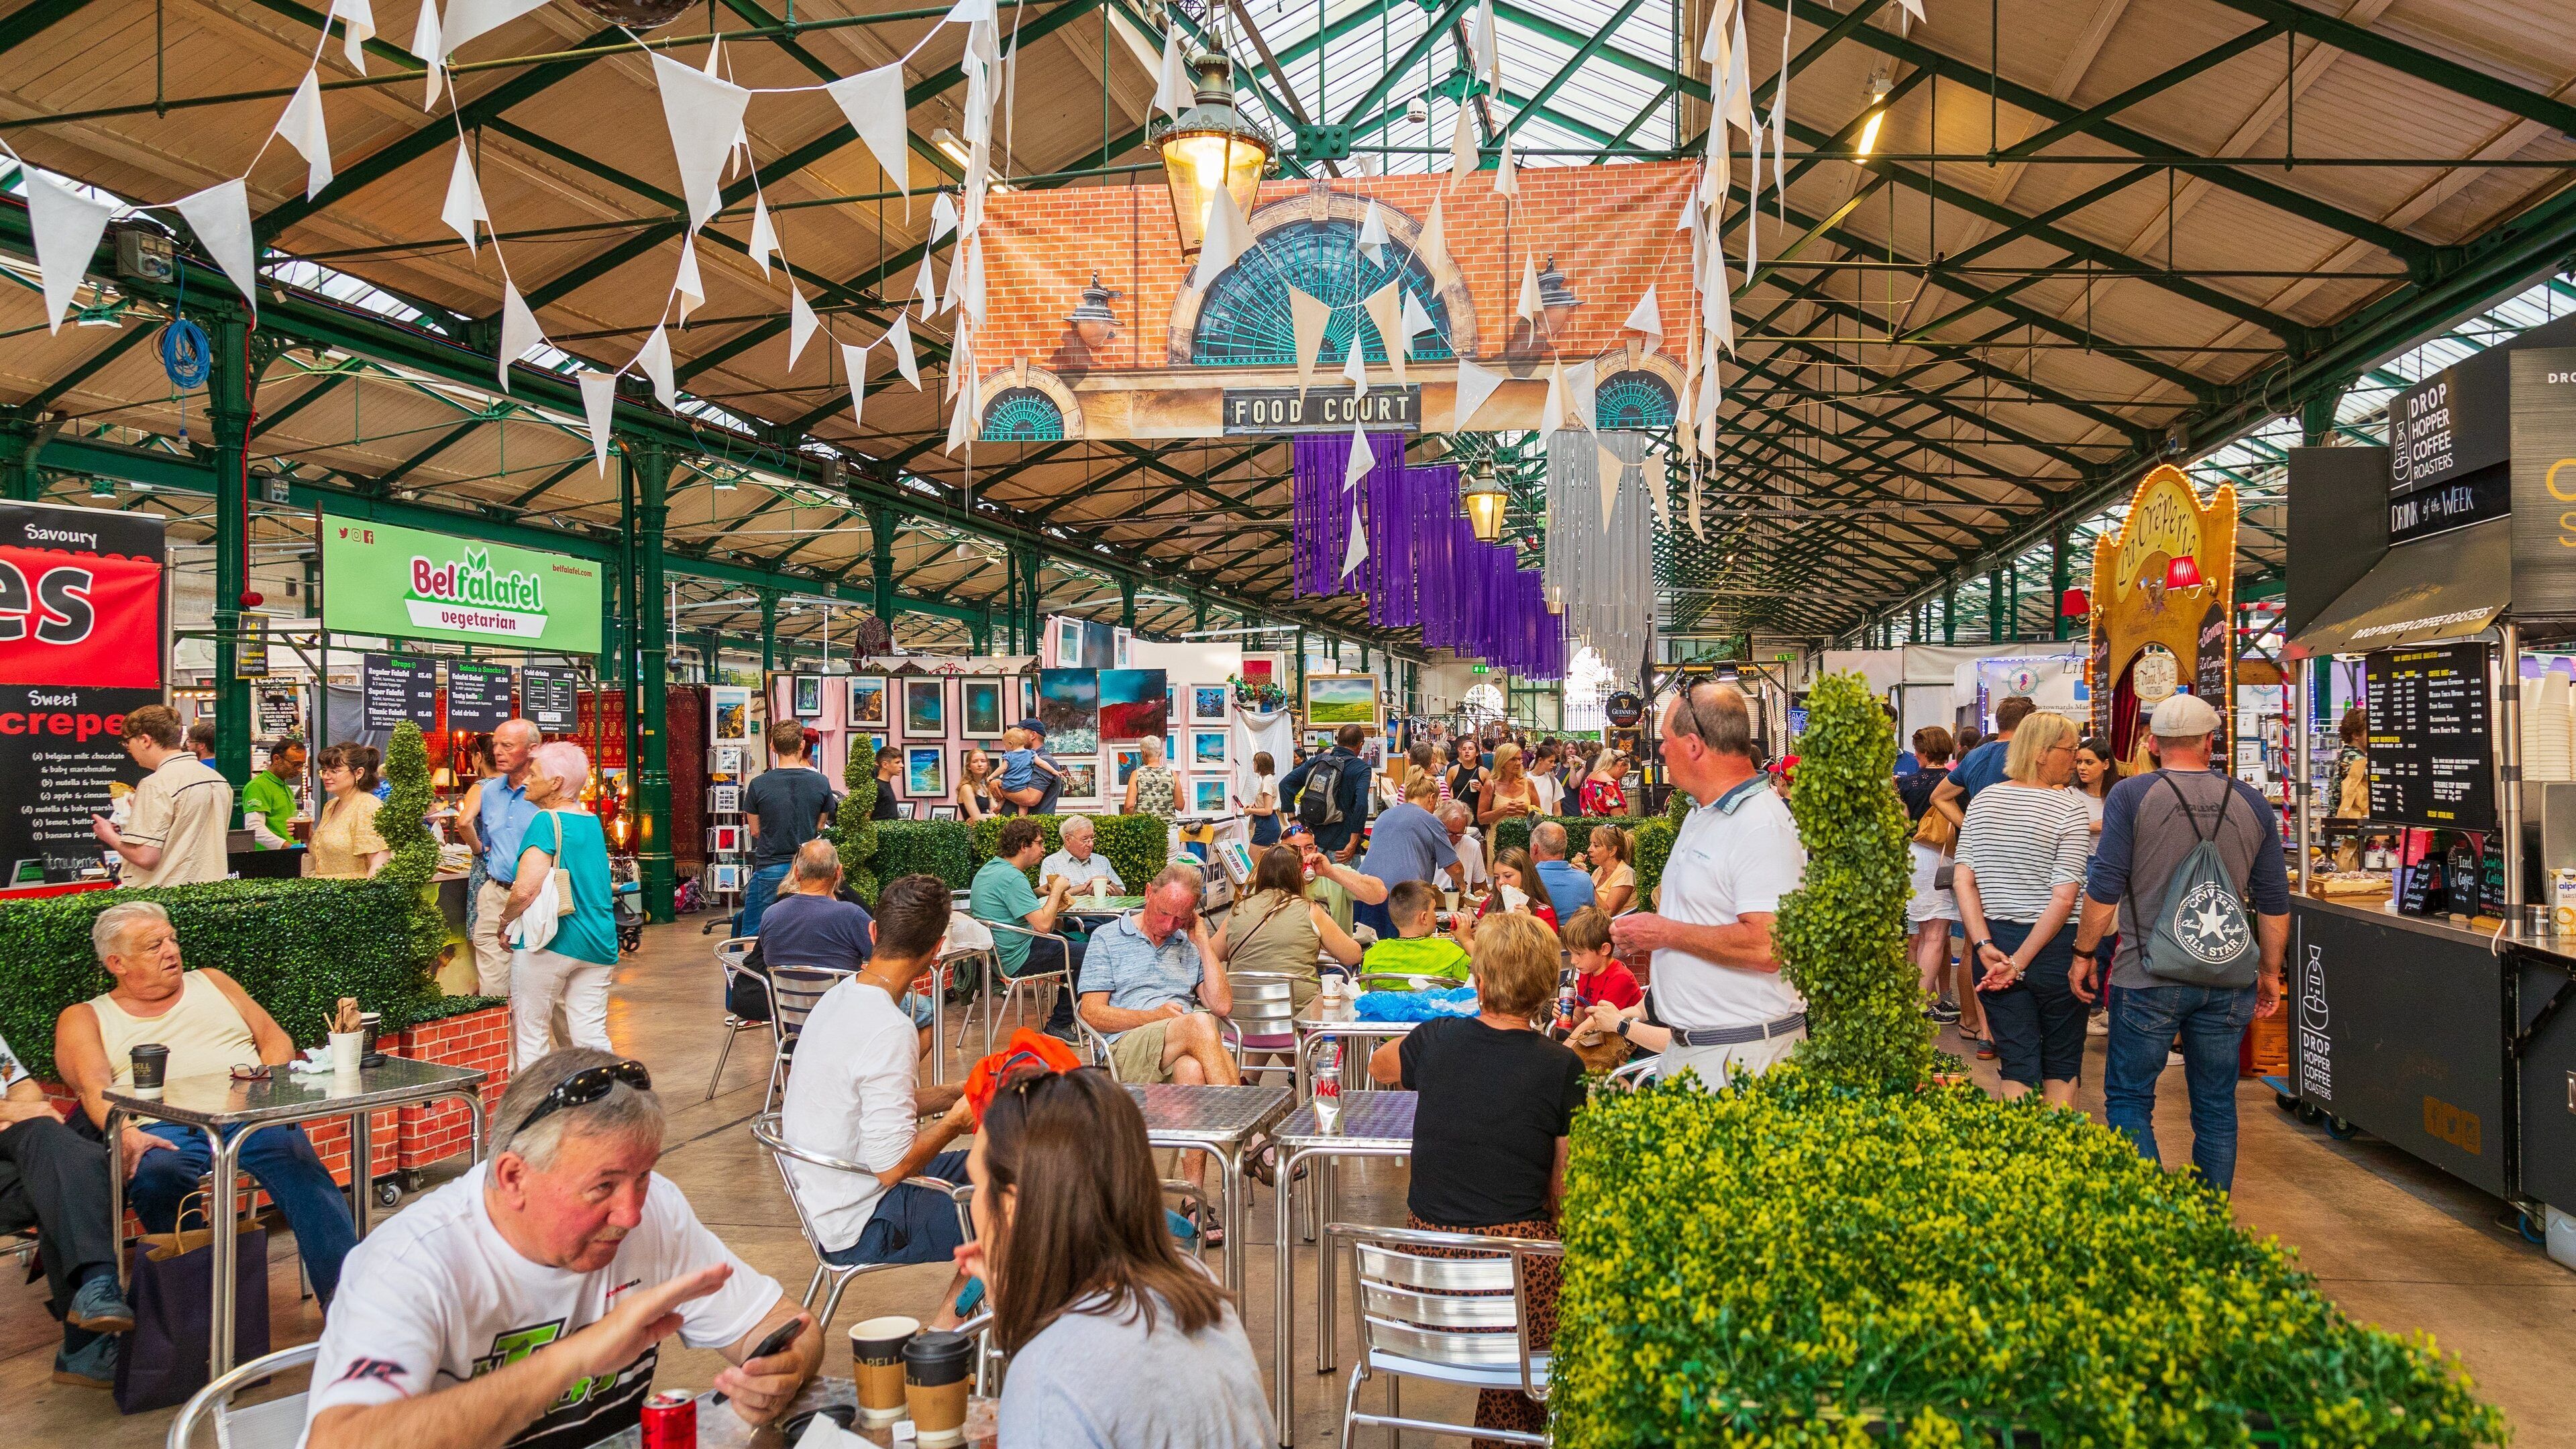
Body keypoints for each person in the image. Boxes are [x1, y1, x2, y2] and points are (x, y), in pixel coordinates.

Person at [302, 1050, 820, 1449]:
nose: (631, 1213)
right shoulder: (412, 1264)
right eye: (603, 1186)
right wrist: (573, 1359)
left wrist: (782, 1368)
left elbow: (789, 1325)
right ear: (513, 1177)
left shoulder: (654, 1212)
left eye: (643, 1176)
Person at [54, 901, 358, 1307]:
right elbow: (93, 1089)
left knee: (297, 1163)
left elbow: (275, 1040)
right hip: (159, 1125)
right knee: (158, 1174)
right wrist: (125, 1133)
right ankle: (201, 1304)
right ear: (117, 962)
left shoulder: (212, 981)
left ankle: (351, 1304)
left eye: (172, 940)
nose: (172, 951)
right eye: (153, 946)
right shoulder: (85, 1016)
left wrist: (263, 1091)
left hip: (248, 1114)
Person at [961, 1067, 1275, 1448]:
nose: (974, 1200)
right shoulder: (1194, 1283)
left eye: (976, 1185)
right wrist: (1013, 1286)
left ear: (1012, 1207)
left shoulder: (1048, 1380)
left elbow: (1067, 1375)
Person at [1366, 912, 1582, 1445]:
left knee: (1517, 1270)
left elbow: (1379, 1066)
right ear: (1544, 988)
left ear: (1480, 982)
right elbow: (1563, 1192)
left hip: (1420, 1288)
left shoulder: (1437, 1039)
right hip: (1511, 1294)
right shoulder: (1561, 1066)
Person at [2074, 693, 2289, 1193]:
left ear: (2152, 743)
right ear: (2211, 742)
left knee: (2129, 1099)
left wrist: (2084, 955)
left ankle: (2158, 1225)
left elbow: (2104, 889)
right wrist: (2270, 973)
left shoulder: (2131, 797)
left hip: (2145, 976)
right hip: (2228, 976)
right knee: (2215, 1105)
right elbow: (2274, 901)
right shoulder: (2252, 801)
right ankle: (2208, 1221)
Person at [1609, 680, 1808, 1087]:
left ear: (1695, 746)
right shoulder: (1704, 813)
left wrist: (1665, 932)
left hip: (1742, 1059)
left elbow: (1770, 945)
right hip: (1700, 1049)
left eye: (1666, 739)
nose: (1660, 750)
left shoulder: (1761, 825)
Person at [782, 875, 979, 1282]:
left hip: (830, 1198)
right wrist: (956, 1123)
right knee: (1034, 1205)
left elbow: (859, 1106)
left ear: (874, 932)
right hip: (865, 1222)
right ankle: (946, 1338)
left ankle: (947, 1333)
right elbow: (891, 1168)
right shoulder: (890, 1028)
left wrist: (955, 1094)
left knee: (1013, 1163)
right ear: (938, 948)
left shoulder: (838, 996)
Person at [1951, 711, 2092, 1106]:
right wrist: (2019, 962)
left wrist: (1981, 944)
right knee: (2062, 1064)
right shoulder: (2070, 809)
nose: (2076, 757)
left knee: (2017, 1064)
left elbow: (1965, 879)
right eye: (2070, 749)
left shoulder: (1984, 800)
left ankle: (2016, 1161)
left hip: (1994, 943)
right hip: (2055, 949)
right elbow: (2064, 898)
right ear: (2043, 753)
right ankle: (2056, 1162)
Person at [0, 1024, 133, 1388]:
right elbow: (25, 1103)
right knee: (64, 1164)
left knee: (83, 1152)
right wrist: (17, 1111)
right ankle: (89, 1325)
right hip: (15, 1143)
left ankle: (91, 1323)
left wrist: (18, 1111)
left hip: (13, 1143)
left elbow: (20, 1084)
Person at [498, 742, 618, 1069]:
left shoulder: (545, 821)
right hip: (598, 941)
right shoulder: (591, 821)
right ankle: (607, 1102)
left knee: (530, 1031)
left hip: (551, 941)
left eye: (533, 774)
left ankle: (531, 1109)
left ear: (555, 783)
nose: (525, 780)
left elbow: (525, 890)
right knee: (591, 1035)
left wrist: (505, 921)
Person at [1079, 865, 1238, 1089]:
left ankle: (1212, 1124)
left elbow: (1222, 1006)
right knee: (1200, 1022)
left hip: (1178, 1043)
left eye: (1180, 919)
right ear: (1148, 893)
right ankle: (1243, 1116)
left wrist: (1203, 941)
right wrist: (1153, 1017)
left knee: (1190, 1068)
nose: (1168, 926)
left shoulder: (1187, 944)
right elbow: (1091, 1013)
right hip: (1125, 1046)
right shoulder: (1107, 938)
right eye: (1163, 913)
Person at [91, 704, 233, 888]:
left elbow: (146, 857)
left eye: (128, 742)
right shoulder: (218, 779)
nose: (128, 749)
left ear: (145, 740)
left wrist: (108, 834)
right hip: (210, 891)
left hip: (164, 895)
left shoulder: (156, 784)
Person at [1212, 844, 1363, 1014]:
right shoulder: (1310, 911)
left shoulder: (1239, 910)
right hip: (1300, 1024)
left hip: (1241, 1023)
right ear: (1299, 875)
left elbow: (1212, 955)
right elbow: (1352, 956)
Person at [973, 818, 1083, 1040]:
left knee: (1079, 945)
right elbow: (1043, 925)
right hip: (1017, 956)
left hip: (997, 955)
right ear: (1024, 846)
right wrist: (1057, 890)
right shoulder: (1013, 877)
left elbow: (1005, 902)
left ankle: (1068, 1018)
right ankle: (1060, 1025)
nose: (1043, 849)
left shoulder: (992, 869)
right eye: (1039, 843)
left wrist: (1037, 892)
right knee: (1093, 954)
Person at [1900, 727, 1968, 1031]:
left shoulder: (1907, 784)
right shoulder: (1958, 784)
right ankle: (1920, 1005)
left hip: (1915, 857)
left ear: (1924, 753)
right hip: (1947, 856)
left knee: (1921, 935)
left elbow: (1901, 824)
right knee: (1936, 935)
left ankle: (1914, 1002)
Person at [743, 720, 837, 935]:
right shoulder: (821, 782)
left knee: (754, 931)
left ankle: (752, 969)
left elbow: (755, 830)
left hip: (770, 867)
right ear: (802, 745)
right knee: (806, 929)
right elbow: (820, 826)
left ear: (773, 747)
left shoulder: (758, 784)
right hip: (807, 868)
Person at [470, 718, 544, 997]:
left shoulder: (548, 792)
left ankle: (567, 1042)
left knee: (546, 985)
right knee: (493, 987)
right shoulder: (488, 791)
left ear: (532, 749)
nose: (497, 751)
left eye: (508, 746)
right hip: (496, 892)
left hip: (539, 897)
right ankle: (499, 1038)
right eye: (496, 745)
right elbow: (490, 842)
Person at [1348, 774, 1460, 938]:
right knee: (1400, 948)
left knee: (1367, 946)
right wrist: (1462, 885)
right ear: (1432, 798)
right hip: (1400, 897)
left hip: (1364, 889)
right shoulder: (1430, 820)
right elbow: (1455, 868)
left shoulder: (1384, 816)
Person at [1929, 696, 2034, 829]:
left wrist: (1968, 827)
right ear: (2028, 724)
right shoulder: (2028, 754)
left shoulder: (1973, 756)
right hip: (2019, 838)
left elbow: (1938, 797)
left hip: (1981, 842)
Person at [1279, 724, 1371, 861]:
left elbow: (1285, 784)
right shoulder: (1361, 769)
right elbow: (1361, 805)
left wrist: (1293, 821)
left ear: (1338, 740)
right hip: (1343, 846)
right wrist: (1353, 843)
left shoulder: (1318, 761)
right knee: (1345, 881)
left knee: (1315, 882)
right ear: (1361, 744)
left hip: (1314, 843)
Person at [1359, 879, 1472, 985]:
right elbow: (1486, 979)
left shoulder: (1373, 954)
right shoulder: (1451, 954)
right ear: (1423, 918)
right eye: (1433, 909)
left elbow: (1364, 991)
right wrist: (1467, 940)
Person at [308, 741, 393, 877]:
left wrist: (369, 896)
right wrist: (307, 837)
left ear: (359, 773)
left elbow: (380, 862)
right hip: (325, 893)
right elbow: (326, 857)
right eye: (324, 770)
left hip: (352, 894)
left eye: (334, 771)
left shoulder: (368, 806)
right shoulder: (331, 805)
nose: (326, 776)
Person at [1454, 846, 1556, 948]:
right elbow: (1479, 945)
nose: (1501, 882)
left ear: (1525, 875)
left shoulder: (1543, 912)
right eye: (1497, 877)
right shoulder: (1489, 903)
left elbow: (1547, 953)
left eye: (1507, 876)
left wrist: (1527, 925)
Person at [1561, 904, 1641, 1012]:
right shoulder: (1587, 972)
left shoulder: (1620, 978)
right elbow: (1580, 1015)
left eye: (1580, 954)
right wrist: (1565, 1017)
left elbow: (1596, 1022)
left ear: (1604, 949)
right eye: (1572, 953)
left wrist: (1576, 1028)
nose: (1573, 961)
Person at [241, 737, 305, 849]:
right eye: (295, 764)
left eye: (302, 765)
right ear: (277, 759)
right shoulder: (258, 786)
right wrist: (288, 847)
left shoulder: (285, 787)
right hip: (269, 858)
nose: (299, 770)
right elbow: (254, 827)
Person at [1040, 814, 1125, 896]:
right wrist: (1086, 888)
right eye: (1085, 839)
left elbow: (1122, 895)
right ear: (1068, 839)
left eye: (1092, 838)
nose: (1091, 844)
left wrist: (1108, 882)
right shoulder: (1051, 863)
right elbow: (1049, 897)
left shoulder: (1102, 861)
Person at [1528, 820, 1595, 915]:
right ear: (1564, 848)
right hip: (1576, 929)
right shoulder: (1585, 879)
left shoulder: (1527, 877)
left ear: (1535, 848)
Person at [996, 727, 1067, 814]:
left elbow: (1029, 799)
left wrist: (1001, 788)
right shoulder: (1019, 758)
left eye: (1020, 732)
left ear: (1033, 735)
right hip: (1015, 825)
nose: (1015, 737)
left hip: (1029, 826)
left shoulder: (1044, 760)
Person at [2330, 706, 2369, 869]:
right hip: (2351, 828)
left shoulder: (2345, 756)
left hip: (2340, 827)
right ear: (2356, 735)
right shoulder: (2355, 759)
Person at [1122, 736, 1185, 822]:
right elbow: (1180, 806)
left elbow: (1129, 806)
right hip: (1169, 830)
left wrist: (1128, 822)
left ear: (1143, 753)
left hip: (1145, 830)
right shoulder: (1172, 774)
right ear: (1161, 752)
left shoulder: (1137, 774)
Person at [1479, 742, 1540, 828]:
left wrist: (1527, 809)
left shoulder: (1528, 784)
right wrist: (1501, 811)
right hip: (1496, 840)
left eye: (1520, 759)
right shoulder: (1491, 785)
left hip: (1524, 839)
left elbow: (1539, 817)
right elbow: (1481, 819)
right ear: (1502, 761)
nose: (1518, 763)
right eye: (1513, 759)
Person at [1587, 824, 1637, 916]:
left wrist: (1586, 881)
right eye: (1590, 844)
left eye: (1596, 845)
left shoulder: (1626, 874)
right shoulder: (1599, 871)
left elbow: (1607, 914)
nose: (1589, 849)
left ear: (1612, 851)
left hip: (1615, 928)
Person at [1440, 800, 1488, 893]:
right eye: (1450, 833)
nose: (1454, 838)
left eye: (1459, 834)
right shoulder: (1428, 844)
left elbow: (1481, 888)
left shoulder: (1473, 846)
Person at [1238, 750, 1281, 847]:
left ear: (1260, 765)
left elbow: (1268, 810)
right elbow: (1266, 803)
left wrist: (1251, 811)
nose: (1253, 765)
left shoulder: (1267, 782)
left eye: (1255, 762)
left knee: (1254, 861)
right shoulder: (1268, 780)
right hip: (1268, 824)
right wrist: (1255, 805)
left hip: (1266, 825)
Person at [1579, 748, 1629, 818]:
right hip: (1606, 828)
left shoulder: (1588, 779)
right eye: (1625, 771)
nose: (1623, 775)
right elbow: (1619, 818)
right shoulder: (1609, 784)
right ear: (1620, 765)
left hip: (1588, 826)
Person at [955, 747, 1000, 822]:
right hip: (973, 832)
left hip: (987, 831)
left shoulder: (984, 786)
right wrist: (992, 816)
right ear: (969, 766)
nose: (979, 764)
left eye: (983, 761)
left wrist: (988, 816)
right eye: (975, 762)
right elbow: (977, 819)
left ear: (987, 765)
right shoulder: (966, 788)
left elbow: (996, 811)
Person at [1529, 742, 1566, 816]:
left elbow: (1558, 811)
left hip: (1548, 824)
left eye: (1554, 761)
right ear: (1540, 760)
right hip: (1528, 824)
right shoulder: (1524, 780)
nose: (1553, 764)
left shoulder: (1554, 782)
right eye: (1550, 761)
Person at [870, 745, 905, 821]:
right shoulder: (875, 787)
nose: (902, 765)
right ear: (885, 764)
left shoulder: (885, 784)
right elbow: (865, 817)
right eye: (897, 762)